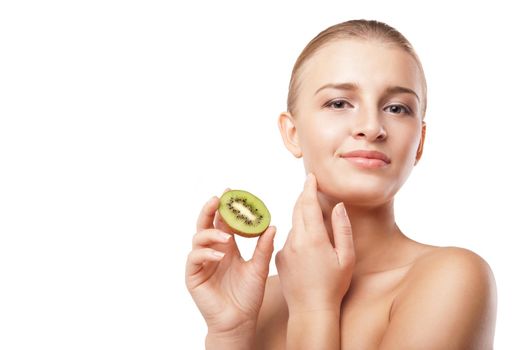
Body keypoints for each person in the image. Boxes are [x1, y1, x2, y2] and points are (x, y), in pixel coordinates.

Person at [185, 19, 497, 349]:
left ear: (419, 142)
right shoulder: (260, 300)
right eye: (339, 103)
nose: (371, 126)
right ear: (292, 133)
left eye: (396, 108)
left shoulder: (452, 279)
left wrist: (314, 310)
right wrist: (230, 333)